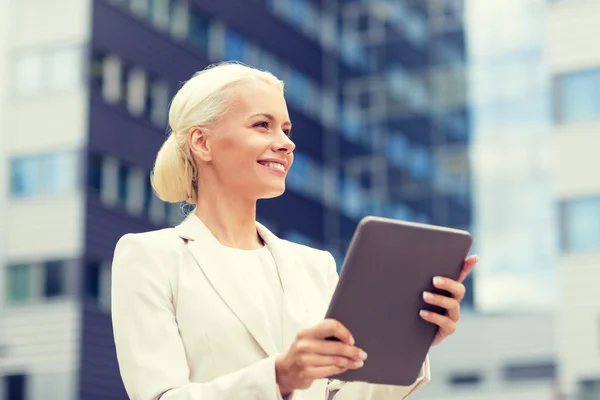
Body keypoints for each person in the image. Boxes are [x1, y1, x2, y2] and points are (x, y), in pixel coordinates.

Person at [111, 62, 477, 400]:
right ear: (202, 142)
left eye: (286, 129)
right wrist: (280, 376)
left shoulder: (314, 266)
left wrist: (411, 339)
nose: (287, 143)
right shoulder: (150, 258)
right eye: (261, 125)